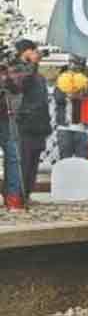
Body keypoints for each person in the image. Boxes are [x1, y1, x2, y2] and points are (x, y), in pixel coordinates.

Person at [6, 39, 51, 203]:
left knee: (33, 161)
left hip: (38, 123)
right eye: (34, 50)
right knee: (23, 160)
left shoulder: (37, 74)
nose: (37, 54)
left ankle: (28, 193)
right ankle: (18, 195)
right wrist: (31, 64)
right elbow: (20, 84)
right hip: (24, 122)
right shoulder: (15, 68)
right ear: (25, 52)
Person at [54, 55, 88, 159]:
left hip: (81, 128)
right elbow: (58, 98)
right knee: (65, 159)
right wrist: (68, 94)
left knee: (82, 160)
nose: (73, 66)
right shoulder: (62, 80)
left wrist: (82, 95)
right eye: (71, 63)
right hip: (64, 127)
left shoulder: (85, 82)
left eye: (77, 63)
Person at [0, 62, 24, 212]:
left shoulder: (5, 75)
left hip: (3, 119)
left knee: (12, 157)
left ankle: (13, 196)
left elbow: (16, 90)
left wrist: (6, 77)